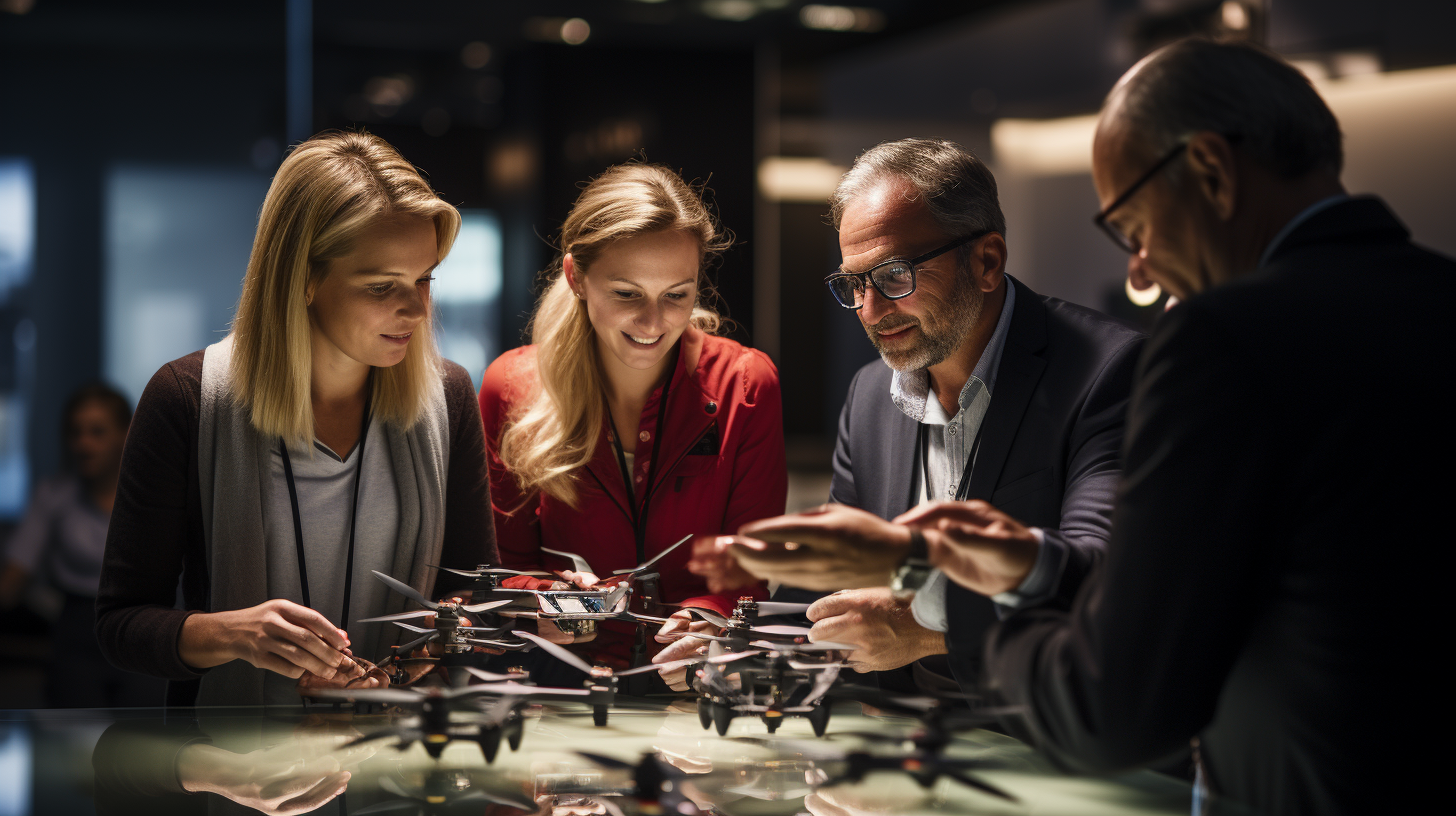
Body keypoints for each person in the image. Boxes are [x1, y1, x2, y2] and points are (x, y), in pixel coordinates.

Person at [719, 40, 1451, 815]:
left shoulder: (1212, 342)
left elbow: (1118, 704)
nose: (1136, 271)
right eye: (853, 286)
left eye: (1134, 227)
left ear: (1210, 172)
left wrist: (956, 613)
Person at [696, 139, 1142, 692]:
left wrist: (931, 626)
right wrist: (735, 638)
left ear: (987, 260)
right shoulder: (868, 396)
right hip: (911, 745)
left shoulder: (1108, 371)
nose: (870, 310)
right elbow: (834, 595)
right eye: (854, 284)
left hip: (1047, 740)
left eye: (894, 275)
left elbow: (1105, 582)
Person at [95, 130, 497, 707]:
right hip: (233, 770)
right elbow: (120, 625)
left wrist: (409, 662)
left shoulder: (448, 395)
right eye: (382, 286)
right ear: (302, 278)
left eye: (424, 279)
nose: (416, 309)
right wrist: (234, 634)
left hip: (396, 768)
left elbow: (472, 595)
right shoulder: (186, 398)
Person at [479, 163, 786, 682]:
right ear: (576, 277)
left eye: (677, 294)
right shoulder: (509, 387)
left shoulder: (747, 384)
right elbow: (501, 571)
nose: (653, 322)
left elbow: (748, 571)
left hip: (694, 695)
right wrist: (550, 601)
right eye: (627, 293)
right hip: (560, 692)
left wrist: (705, 617)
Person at [1, 383, 162, 707]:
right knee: (70, 745)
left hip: (144, 633)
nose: (84, 443)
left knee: (147, 743)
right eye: (76, 432)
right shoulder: (54, 497)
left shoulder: (155, 498)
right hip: (76, 636)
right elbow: (15, 576)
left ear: (125, 433)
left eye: (97, 432)